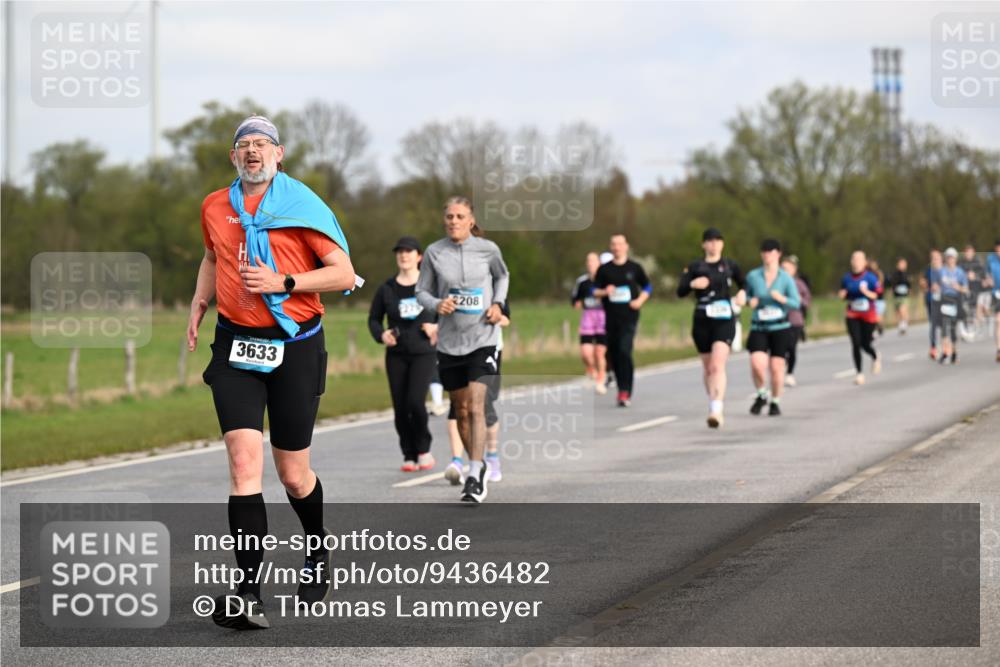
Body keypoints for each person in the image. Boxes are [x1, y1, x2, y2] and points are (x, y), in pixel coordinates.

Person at [189, 116, 359, 629]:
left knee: (292, 474)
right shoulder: (216, 205)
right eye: (244, 146)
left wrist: (284, 280)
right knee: (244, 466)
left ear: (279, 154)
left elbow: (344, 273)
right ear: (233, 158)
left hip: (296, 347)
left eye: (262, 144)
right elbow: (210, 255)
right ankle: (247, 593)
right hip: (236, 345)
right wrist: (201, 299)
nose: (252, 152)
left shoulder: (302, 204)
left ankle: (317, 549)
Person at [415, 196, 509, 504]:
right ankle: (476, 464)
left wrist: (497, 304)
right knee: (462, 411)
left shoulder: (488, 249)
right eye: (450, 217)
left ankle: (474, 472)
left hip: (483, 338)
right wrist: (436, 304)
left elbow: (502, 276)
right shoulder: (434, 252)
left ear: (471, 220)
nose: (454, 221)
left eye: (460, 216)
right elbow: (421, 291)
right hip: (450, 343)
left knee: (477, 405)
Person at [368, 236, 439, 472]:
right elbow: (374, 319)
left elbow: (446, 312)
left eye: (409, 251)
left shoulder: (430, 286)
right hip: (396, 355)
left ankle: (423, 449)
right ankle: (408, 454)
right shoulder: (387, 288)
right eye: (399, 251)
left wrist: (437, 327)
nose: (403, 255)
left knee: (415, 402)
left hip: (423, 353)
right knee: (400, 407)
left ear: (419, 256)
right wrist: (382, 335)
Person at [676, 227, 746, 428]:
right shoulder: (695, 266)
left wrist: (743, 294)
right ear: (703, 244)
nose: (714, 244)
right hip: (702, 320)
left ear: (722, 244)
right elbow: (680, 291)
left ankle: (717, 408)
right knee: (708, 368)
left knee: (717, 365)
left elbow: (745, 285)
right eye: (710, 240)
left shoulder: (730, 265)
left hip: (724, 320)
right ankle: (713, 401)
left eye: (717, 240)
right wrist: (692, 285)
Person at [444, 300, 511, 485]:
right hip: (457, 349)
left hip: (488, 350)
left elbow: (506, 319)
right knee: (457, 406)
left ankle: (492, 457)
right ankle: (457, 461)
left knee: (484, 405)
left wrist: (493, 318)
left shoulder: (496, 286)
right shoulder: (452, 283)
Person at [593, 234, 652, 407]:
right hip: (611, 317)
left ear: (626, 246)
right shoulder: (604, 270)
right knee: (614, 353)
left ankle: (626, 390)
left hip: (629, 317)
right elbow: (594, 291)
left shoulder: (634, 268)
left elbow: (648, 286)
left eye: (620, 244)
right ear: (611, 247)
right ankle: (621, 388)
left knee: (625, 350)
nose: (617, 247)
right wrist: (605, 292)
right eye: (614, 244)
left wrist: (640, 300)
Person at [744, 240, 800, 416]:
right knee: (757, 364)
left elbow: (796, 302)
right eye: (764, 251)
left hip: (780, 327)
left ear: (778, 254)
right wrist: (748, 301)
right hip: (759, 326)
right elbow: (745, 295)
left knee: (776, 368)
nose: (767, 255)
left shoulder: (785, 278)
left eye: (771, 251)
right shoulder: (753, 276)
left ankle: (775, 401)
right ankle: (762, 393)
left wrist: (782, 299)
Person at [839, 250, 882, 385]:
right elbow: (842, 294)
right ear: (851, 262)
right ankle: (859, 373)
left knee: (865, 343)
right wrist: (842, 295)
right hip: (853, 314)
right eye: (854, 259)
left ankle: (875, 356)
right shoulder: (846, 278)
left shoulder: (870, 278)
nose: (856, 262)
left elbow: (878, 295)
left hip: (868, 315)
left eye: (859, 259)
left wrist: (866, 292)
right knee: (856, 343)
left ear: (864, 262)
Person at [572, 252, 608, 394]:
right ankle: (591, 368)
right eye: (588, 261)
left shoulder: (605, 280)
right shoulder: (582, 282)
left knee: (599, 352)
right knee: (586, 353)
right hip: (588, 318)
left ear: (599, 263)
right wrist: (577, 302)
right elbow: (575, 299)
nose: (590, 264)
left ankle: (601, 380)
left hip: (603, 318)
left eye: (593, 261)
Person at [935, 247, 970, 364]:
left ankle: (954, 352)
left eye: (952, 258)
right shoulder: (942, 271)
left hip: (955, 300)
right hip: (944, 300)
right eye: (948, 258)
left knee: (953, 329)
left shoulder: (960, 272)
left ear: (955, 259)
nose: (950, 260)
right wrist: (936, 288)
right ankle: (945, 353)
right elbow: (936, 285)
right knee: (944, 327)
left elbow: (965, 289)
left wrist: (958, 287)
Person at [780, 255, 811, 388]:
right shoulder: (777, 282)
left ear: (794, 270)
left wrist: (798, 300)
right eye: (783, 268)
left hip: (795, 320)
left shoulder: (798, 284)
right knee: (780, 348)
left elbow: (807, 300)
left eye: (788, 268)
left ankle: (790, 374)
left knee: (791, 348)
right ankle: (779, 368)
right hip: (779, 320)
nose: (785, 270)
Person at [919, 250, 944, 360]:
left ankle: (946, 347)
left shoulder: (946, 270)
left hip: (944, 301)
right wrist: (925, 286)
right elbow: (923, 283)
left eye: (937, 257)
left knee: (944, 324)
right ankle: (933, 348)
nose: (935, 260)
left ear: (941, 258)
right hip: (931, 300)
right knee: (933, 325)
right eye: (933, 258)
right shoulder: (928, 270)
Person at [959, 244, 989, 333]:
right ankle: (967, 326)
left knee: (978, 303)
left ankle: (981, 315)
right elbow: (957, 274)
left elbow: (983, 274)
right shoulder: (960, 263)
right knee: (964, 308)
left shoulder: (978, 262)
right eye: (967, 252)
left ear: (973, 252)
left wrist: (975, 275)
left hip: (977, 288)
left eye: (970, 252)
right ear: (964, 253)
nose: (968, 254)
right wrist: (966, 275)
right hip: (965, 289)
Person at [886, 257, 911, 335]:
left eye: (904, 264)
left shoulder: (907, 274)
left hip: (904, 296)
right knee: (898, 312)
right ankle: (901, 325)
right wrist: (892, 288)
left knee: (902, 310)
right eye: (901, 264)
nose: (902, 265)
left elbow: (909, 285)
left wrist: (909, 290)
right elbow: (890, 284)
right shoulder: (894, 274)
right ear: (898, 265)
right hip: (896, 296)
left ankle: (904, 324)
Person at [986, 240, 1000, 362]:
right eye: (997, 249)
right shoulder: (990, 259)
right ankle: (999, 349)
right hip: (996, 293)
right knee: (998, 320)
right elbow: (987, 274)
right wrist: (988, 279)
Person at [868, 259, 887, 337]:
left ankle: (880, 327)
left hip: (879, 299)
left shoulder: (879, 273)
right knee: (873, 316)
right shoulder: (867, 274)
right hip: (871, 299)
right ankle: (874, 329)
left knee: (878, 317)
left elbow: (880, 284)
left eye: (874, 264)